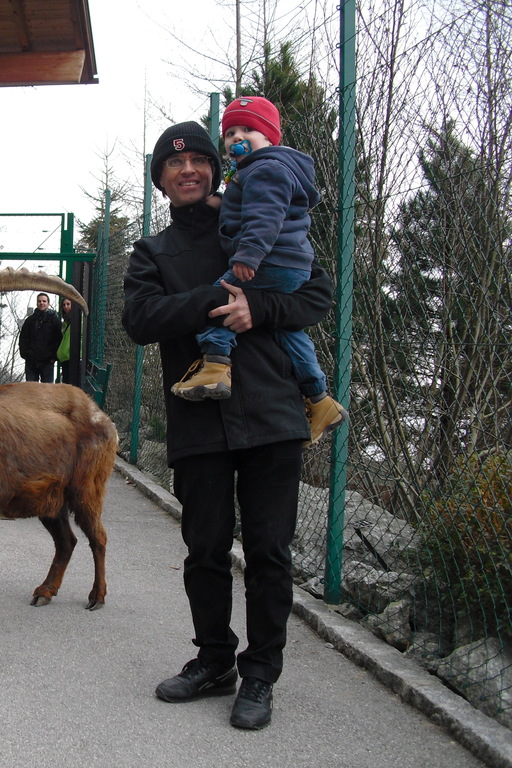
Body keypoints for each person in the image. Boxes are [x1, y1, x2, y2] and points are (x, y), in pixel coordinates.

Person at [121, 120, 336, 730]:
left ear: (216, 170)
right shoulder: (153, 252)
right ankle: (215, 660)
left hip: (272, 413)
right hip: (198, 419)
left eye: (198, 161)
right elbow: (140, 319)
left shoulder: (254, 218)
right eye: (173, 164)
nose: (187, 170)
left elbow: (317, 294)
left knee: (269, 552)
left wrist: (258, 306)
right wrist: (215, 301)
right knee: (205, 550)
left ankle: (261, 673)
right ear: (161, 180)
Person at [170, 96, 347, 444]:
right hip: (290, 264)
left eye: (247, 130)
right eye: (230, 132)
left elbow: (265, 215)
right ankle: (319, 398)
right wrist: (223, 201)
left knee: (221, 297)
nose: (237, 137)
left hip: (268, 260)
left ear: (269, 137)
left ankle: (215, 366)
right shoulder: (263, 170)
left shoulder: (266, 169)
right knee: (290, 333)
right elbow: (254, 203)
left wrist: (249, 255)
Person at [18, 292, 61, 382]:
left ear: (48, 303)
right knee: (31, 389)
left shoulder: (55, 321)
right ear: (36, 303)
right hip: (31, 362)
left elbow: (59, 339)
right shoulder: (30, 320)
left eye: (44, 301)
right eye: (39, 301)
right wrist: (25, 354)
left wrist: (53, 357)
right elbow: (23, 338)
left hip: (47, 362)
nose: (41, 303)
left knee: (47, 389)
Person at [56, 296, 82, 386]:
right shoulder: (65, 323)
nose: (66, 307)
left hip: (74, 358)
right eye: (64, 305)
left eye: (68, 304)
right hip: (65, 358)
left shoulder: (78, 320)